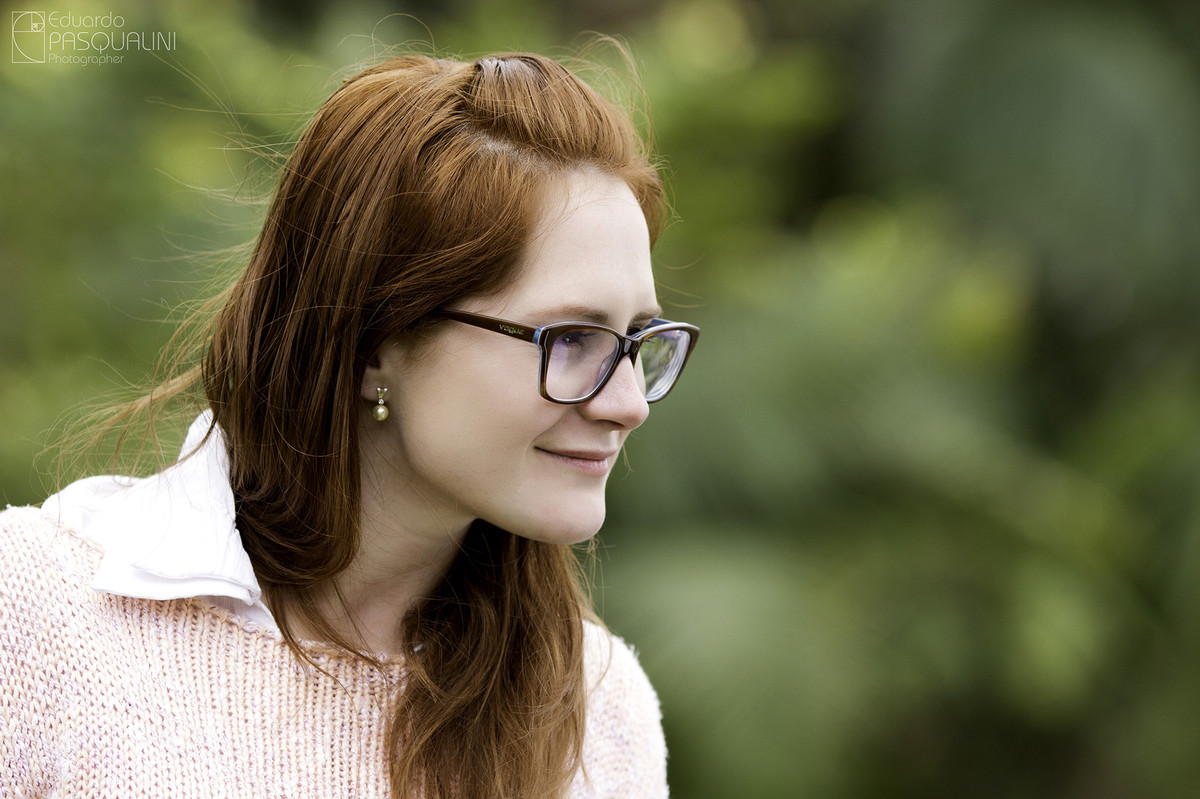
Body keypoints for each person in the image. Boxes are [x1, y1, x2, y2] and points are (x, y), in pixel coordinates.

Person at [0, 49, 698, 797]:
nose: (626, 402)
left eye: (636, 342)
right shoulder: (39, 616)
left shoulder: (595, 710)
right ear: (373, 343)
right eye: (571, 340)